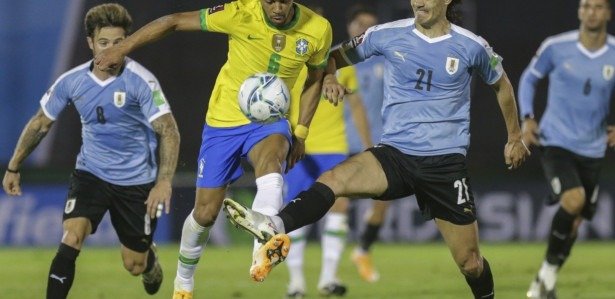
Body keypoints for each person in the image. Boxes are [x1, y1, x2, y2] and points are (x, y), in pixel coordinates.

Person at [223, 0, 530, 298]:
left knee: (471, 263)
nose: (418, 3)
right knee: (334, 180)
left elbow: (501, 84)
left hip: (445, 164)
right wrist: (330, 76)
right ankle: (273, 226)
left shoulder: (471, 45)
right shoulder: (386, 34)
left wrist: (514, 136)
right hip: (395, 154)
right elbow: (331, 56)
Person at [94, 1, 332, 298]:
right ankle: (183, 282)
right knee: (205, 213)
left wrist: (300, 132)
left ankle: (263, 247)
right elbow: (174, 21)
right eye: (270, 1)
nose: (277, 7)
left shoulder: (318, 29)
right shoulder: (239, 12)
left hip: (271, 121)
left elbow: (316, 76)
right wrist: (121, 48)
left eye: (283, 0)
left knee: (271, 161)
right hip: (224, 123)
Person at [1, 3, 180, 298]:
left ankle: (149, 260)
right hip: (91, 174)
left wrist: (163, 181)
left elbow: (168, 130)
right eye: (104, 42)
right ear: (90, 43)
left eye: (119, 42)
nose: (111, 49)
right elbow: (40, 123)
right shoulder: (72, 81)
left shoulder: (141, 81)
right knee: (71, 237)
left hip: (136, 182)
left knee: (134, 265)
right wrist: (14, 166)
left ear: (128, 42)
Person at [519, 0, 615, 298]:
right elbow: (528, 79)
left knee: (573, 224)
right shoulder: (556, 47)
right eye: (586, 6)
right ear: (579, 11)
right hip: (555, 141)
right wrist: (527, 117)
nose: (591, 12)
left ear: (608, 13)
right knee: (573, 200)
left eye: (598, 7)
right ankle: (546, 278)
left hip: (594, 148)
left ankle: (545, 278)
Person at [283, 49, 371, 298]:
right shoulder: (290, 64)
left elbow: (357, 107)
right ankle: (296, 283)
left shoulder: (343, 68)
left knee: (340, 207)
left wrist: (368, 147)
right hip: (300, 148)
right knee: (295, 211)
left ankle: (328, 278)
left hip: (334, 147)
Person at [340, 4, 387, 283]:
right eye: (360, 25)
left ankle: (362, 251)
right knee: (339, 203)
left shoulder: (384, 60)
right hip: (341, 141)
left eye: (371, 26)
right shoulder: (337, 60)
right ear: (349, 27)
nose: (365, 31)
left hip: (380, 142)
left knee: (384, 202)